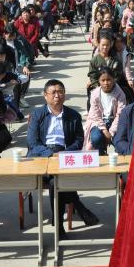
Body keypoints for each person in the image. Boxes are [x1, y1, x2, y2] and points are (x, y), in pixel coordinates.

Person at [26, 79, 99, 232]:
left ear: (64, 94)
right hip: (41, 155)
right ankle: (78, 206)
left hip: (64, 154)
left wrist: (63, 154)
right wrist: (50, 154)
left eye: (60, 92)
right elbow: (32, 142)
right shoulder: (37, 114)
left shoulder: (73, 115)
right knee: (58, 179)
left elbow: (79, 141)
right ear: (45, 95)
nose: (57, 95)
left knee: (56, 181)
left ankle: (58, 226)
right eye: (53, 92)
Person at [84, 67, 127, 152]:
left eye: (109, 80)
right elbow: (95, 115)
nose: (106, 83)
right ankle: (101, 153)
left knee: (119, 141)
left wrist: (111, 132)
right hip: (98, 122)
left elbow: (120, 115)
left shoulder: (120, 94)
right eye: (103, 80)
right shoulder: (95, 94)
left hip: (115, 122)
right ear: (99, 81)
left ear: (113, 79)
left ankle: (118, 154)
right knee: (96, 138)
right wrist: (104, 130)